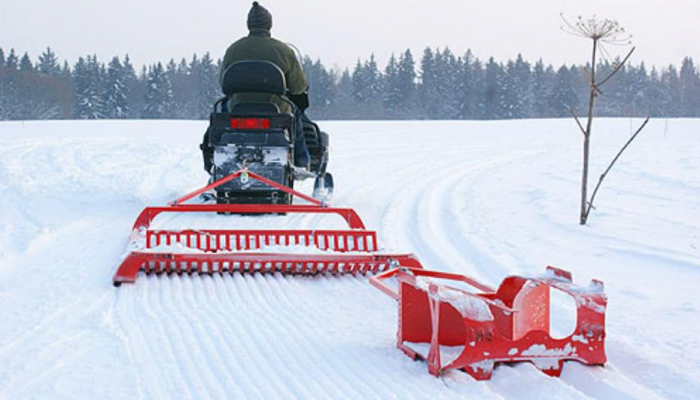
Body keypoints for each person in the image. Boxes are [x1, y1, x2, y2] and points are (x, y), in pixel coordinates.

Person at [217, 1, 311, 169]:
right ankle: (301, 161)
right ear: (269, 24)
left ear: (248, 24)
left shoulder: (233, 49)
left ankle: (213, 160)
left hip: (238, 107)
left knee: (218, 119)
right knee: (295, 115)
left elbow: (223, 84)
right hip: (275, 109)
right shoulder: (283, 50)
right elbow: (298, 87)